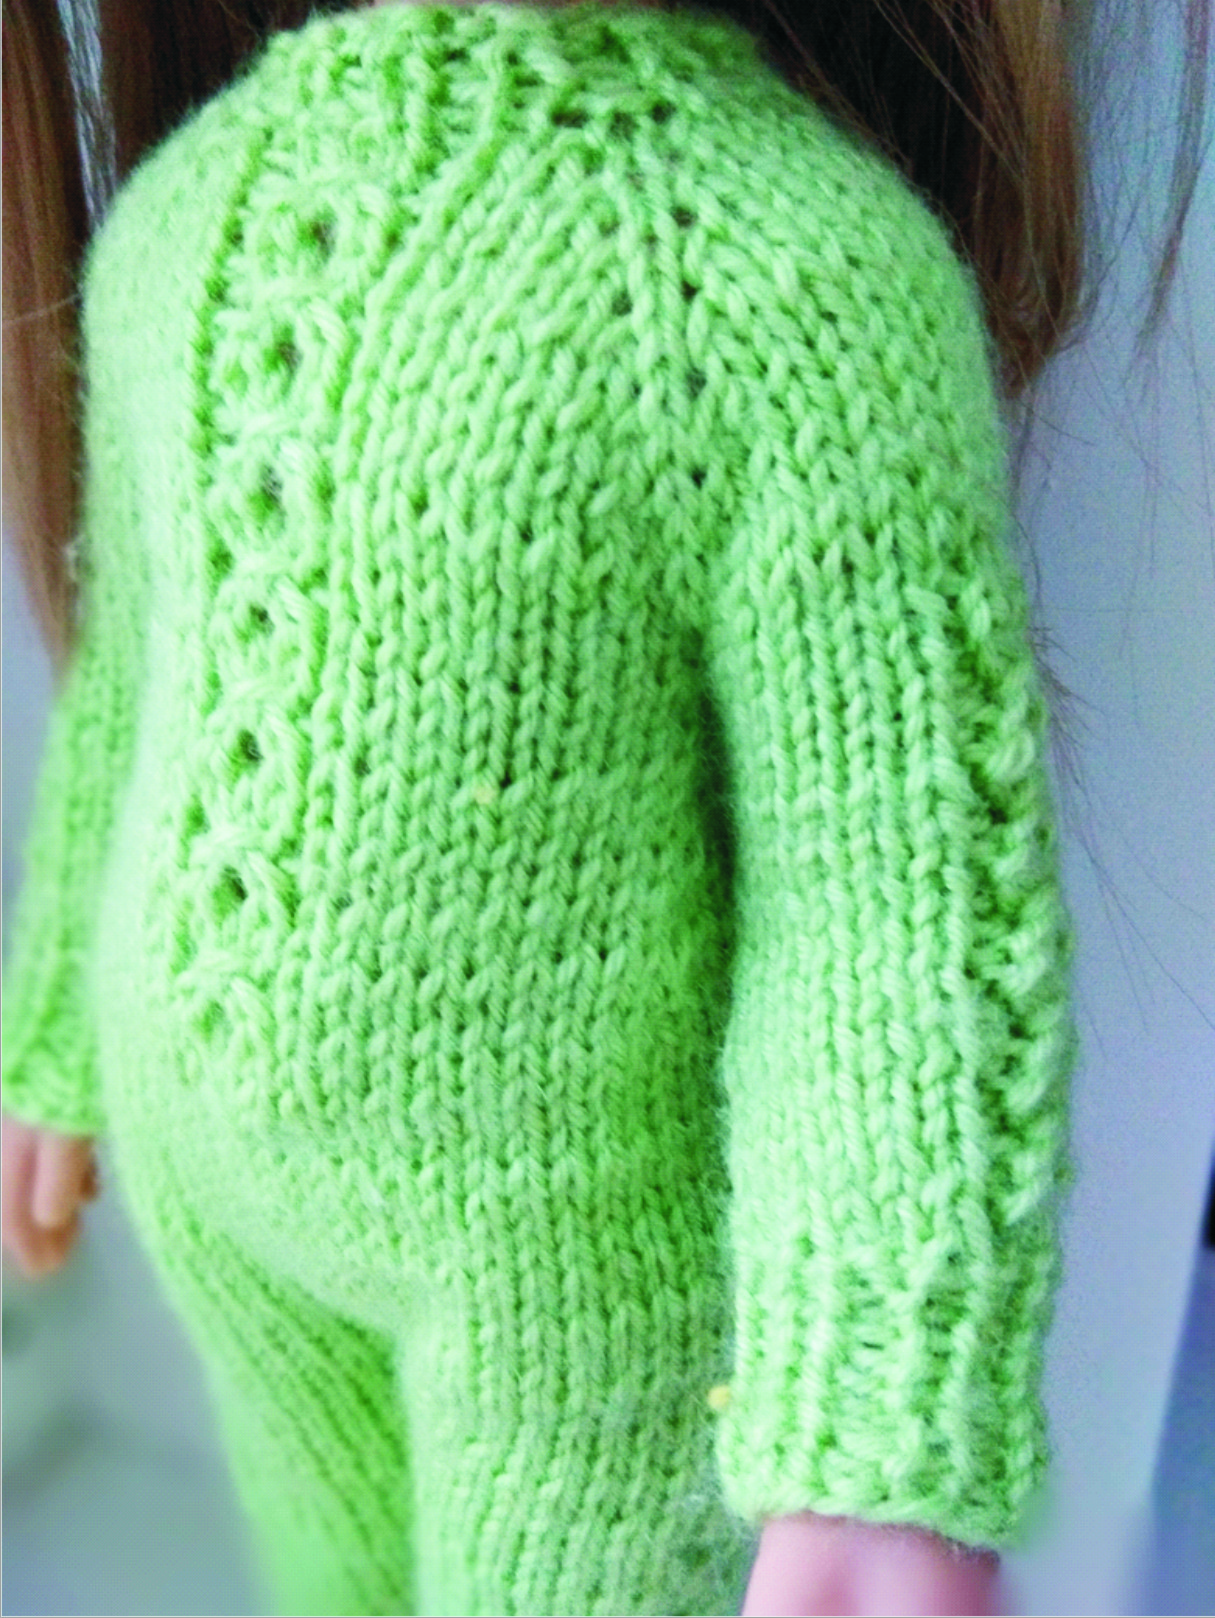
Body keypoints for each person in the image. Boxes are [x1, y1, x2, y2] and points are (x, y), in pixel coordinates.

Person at [1, 3, 1206, 1614]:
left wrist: (879, 1416)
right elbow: (132, 663)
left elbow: (888, 887)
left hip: (567, 1278)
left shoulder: (785, 274)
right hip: (216, 1209)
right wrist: (56, 1030)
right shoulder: (176, 219)